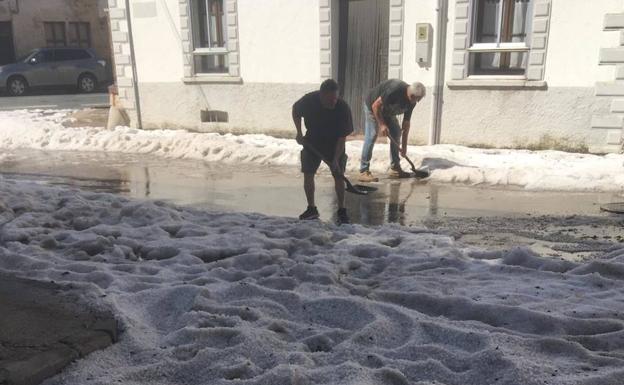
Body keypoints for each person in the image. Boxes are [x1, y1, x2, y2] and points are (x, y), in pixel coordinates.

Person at [292, 79, 354, 224]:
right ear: (321, 95)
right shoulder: (309, 101)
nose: (333, 102)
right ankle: (311, 208)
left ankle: (341, 210)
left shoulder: (343, 108)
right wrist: (299, 133)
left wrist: (335, 159)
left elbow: (342, 138)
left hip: (334, 143)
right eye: (330, 99)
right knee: (308, 173)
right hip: (312, 141)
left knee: (338, 174)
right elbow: (295, 111)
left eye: (335, 98)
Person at [359, 80, 426, 182]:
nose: (417, 102)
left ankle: (395, 168)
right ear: (412, 96)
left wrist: (404, 147)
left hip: (388, 112)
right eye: (417, 99)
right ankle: (364, 171)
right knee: (372, 134)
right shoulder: (395, 90)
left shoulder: (412, 103)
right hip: (373, 107)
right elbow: (375, 106)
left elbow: (406, 125)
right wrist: (382, 125)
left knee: (396, 132)